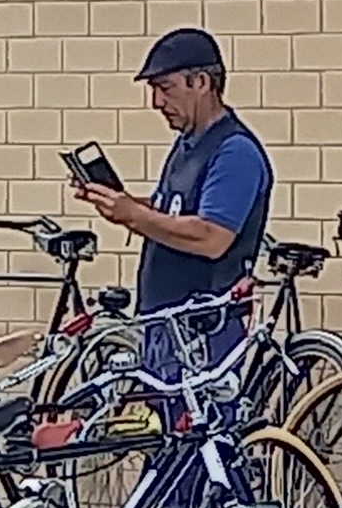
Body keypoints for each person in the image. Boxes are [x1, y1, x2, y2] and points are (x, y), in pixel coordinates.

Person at [71, 28, 272, 368]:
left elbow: (211, 237)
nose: (156, 102)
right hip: (165, 322)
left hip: (202, 333)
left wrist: (133, 215)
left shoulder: (235, 151)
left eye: (165, 88)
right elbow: (171, 212)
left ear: (202, 82)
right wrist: (120, 203)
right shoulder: (188, 144)